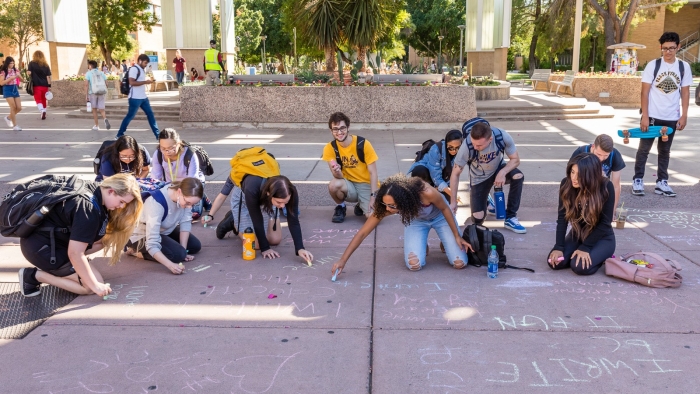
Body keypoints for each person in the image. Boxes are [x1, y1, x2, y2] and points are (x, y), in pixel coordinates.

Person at [18, 174, 143, 297]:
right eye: (121, 201)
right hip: (43, 250)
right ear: (111, 191)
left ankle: (69, 268)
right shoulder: (89, 210)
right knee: (90, 287)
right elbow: (75, 253)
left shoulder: (95, 190)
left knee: (103, 241)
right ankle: (33, 276)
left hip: (49, 240)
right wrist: (95, 285)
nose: (121, 206)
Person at [331, 174, 472, 276]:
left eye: (392, 206)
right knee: (414, 265)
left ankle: (445, 240)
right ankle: (423, 243)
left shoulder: (426, 192)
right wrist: (343, 260)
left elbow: (445, 209)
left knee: (459, 263)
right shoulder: (386, 206)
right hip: (417, 221)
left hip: (440, 216)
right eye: (385, 204)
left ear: (404, 201)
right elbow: (362, 233)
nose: (388, 209)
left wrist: (456, 235)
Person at [633, 31, 692, 198]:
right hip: (652, 116)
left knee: (664, 151)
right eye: (665, 48)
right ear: (661, 48)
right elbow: (644, 92)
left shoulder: (683, 67)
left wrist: (684, 115)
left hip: (671, 117)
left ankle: (662, 182)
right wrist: (645, 116)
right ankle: (638, 180)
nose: (668, 52)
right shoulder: (653, 65)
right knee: (644, 149)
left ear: (678, 47)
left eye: (672, 48)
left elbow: (685, 93)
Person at [449, 119, 526, 233]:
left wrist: (502, 172)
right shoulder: (467, 146)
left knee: (518, 176)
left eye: (479, 145)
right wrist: (453, 202)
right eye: (473, 143)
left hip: (498, 169)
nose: (475, 147)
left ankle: (510, 217)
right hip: (479, 178)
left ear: (490, 139)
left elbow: (515, 160)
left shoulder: (501, 136)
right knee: (477, 220)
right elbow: (455, 174)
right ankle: (486, 199)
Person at [548, 153, 615, 276]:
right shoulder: (566, 184)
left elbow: (605, 223)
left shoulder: (606, 186)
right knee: (556, 262)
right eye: (572, 172)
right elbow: (562, 218)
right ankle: (577, 251)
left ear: (590, 175)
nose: (574, 178)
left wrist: (586, 247)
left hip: (602, 238)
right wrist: (559, 246)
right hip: (577, 234)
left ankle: (602, 257)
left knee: (579, 267)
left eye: (579, 175)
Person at [226, 174, 313, 263]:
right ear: (269, 194)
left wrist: (300, 248)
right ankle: (233, 220)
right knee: (256, 245)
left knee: (274, 240)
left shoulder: (290, 191)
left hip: (268, 201)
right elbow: (257, 220)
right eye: (279, 202)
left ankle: (238, 220)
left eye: (285, 202)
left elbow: (293, 221)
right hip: (245, 199)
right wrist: (265, 248)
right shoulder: (252, 188)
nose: (282, 206)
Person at [126, 178, 203, 275]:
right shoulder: (156, 203)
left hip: (164, 229)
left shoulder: (185, 198)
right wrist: (171, 265)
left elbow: (186, 222)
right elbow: (152, 244)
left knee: (194, 246)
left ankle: (177, 251)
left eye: (193, 204)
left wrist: (183, 250)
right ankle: (136, 252)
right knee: (176, 255)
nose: (189, 207)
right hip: (140, 234)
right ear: (179, 191)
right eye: (187, 203)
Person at [321, 112, 379, 223]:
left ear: (348, 127)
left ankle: (362, 204)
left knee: (372, 218)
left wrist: (373, 196)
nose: (339, 132)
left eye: (342, 128)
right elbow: (338, 176)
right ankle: (341, 207)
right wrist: (336, 171)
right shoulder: (330, 148)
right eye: (335, 129)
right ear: (331, 131)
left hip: (365, 184)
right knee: (334, 184)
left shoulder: (363, 144)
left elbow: (373, 173)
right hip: (348, 184)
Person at [150, 128, 211, 218]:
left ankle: (202, 196)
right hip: (172, 185)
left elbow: (192, 180)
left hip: (192, 184)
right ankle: (202, 197)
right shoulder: (158, 154)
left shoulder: (190, 154)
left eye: (171, 148)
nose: (167, 152)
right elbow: (155, 178)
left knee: (193, 214)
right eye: (163, 148)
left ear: (178, 143)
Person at [570, 134, 624, 210]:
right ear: (593, 146)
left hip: (600, 189)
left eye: (606, 155)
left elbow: (616, 185)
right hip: (581, 187)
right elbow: (571, 177)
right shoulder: (580, 152)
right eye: (599, 154)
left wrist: (612, 210)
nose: (601, 159)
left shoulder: (615, 155)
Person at [409, 129, 462, 203]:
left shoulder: (462, 153)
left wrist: (451, 192)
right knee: (419, 171)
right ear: (446, 144)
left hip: (443, 178)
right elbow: (435, 175)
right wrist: (449, 191)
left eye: (457, 148)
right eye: (450, 147)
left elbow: (454, 176)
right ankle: (421, 193)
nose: (454, 150)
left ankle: (433, 190)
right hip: (428, 172)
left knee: (447, 204)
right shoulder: (436, 149)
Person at [116, 54, 160, 140]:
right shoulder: (134, 69)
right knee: (130, 116)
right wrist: (145, 82)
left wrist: (147, 81)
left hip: (143, 97)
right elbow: (132, 82)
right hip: (135, 98)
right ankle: (119, 134)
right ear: (140, 61)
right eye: (145, 63)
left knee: (150, 115)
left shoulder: (141, 69)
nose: (146, 65)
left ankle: (158, 135)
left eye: (146, 63)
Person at [85, 60, 111, 131]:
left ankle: (97, 125)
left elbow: (86, 85)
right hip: (101, 92)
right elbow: (106, 83)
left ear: (90, 66)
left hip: (92, 92)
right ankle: (105, 118)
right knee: (101, 109)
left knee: (94, 110)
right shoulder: (101, 73)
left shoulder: (88, 73)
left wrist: (86, 95)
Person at [27, 50, 52, 120]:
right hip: (45, 85)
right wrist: (49, 86)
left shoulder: (32, 63)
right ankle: (44, 112)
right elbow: (48, 77)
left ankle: (42, 110)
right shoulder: (46, 65)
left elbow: (29, 73)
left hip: (36, 84)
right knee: (44, 99)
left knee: (38, 99)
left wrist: (29, 73)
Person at [0, 56, 23, 131]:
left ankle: (8, 117)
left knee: (19, 108)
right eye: (10, 63)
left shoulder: (15, 70)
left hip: (15, 88)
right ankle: (15, 125)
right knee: (13, 107)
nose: (12, 64)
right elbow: (1, 83)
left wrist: (19, 75)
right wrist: (10, 78)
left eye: (13, 63)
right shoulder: (3, 71)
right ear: (7, 63)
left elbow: (22, 80)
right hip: (7, 88)